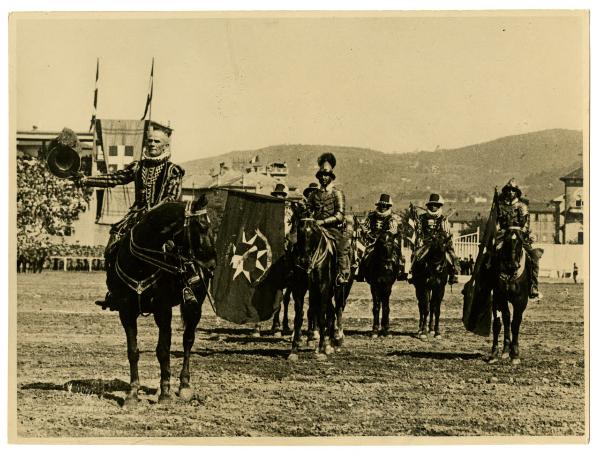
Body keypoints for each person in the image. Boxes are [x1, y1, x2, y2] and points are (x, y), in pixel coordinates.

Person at [72, 125, 187, 310]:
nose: (152, 144)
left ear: (165, 146)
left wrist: (154, 214)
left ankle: (185, 289)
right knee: (112, 245)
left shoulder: (173, 170)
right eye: (149, 140)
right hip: (136, 215)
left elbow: (170, 199)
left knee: (182, 249)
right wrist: (87, 180)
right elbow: (114, 178)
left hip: (162, 218)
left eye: (157, 141)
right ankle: (114, 292)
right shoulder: (138, 166)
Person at [306, 152, 350, 284]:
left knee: (342, 245)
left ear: (331, 176)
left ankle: (342, 274)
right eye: (322, 175)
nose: (324, 178)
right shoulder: (313, 194)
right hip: (315, 228)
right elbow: (308, 210)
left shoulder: (337, 193)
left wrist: (322, 222)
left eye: (326, 175)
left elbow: (340, 215)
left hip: (332, 229)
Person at [495, 178, 541, 299]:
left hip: (519, 234)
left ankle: (533, 286)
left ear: (516, 192)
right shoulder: (500, 206)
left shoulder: (522, 206)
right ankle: (487, 284)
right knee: (489, 256)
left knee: (534, 257)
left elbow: (525, 224)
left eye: (513, 190)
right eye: (508, 190)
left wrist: (519, 231)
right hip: (504, 234)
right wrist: (499, 231)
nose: (510, 193)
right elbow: (497, 223)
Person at [410, 193, 460, 285]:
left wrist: (444, 240)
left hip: (440, 243)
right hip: (425, 243)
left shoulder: (443, 219)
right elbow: (419, 232)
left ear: (439, 206)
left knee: (452, 256)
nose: (433, 207)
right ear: (428, 206)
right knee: (416, 255)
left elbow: (446, 232)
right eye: (431, 205)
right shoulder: (421, 218)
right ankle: (412, 273)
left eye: (435, 205)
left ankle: (454, 273)